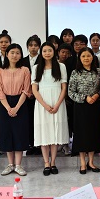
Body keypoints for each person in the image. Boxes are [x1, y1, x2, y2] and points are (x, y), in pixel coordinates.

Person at [32, 42, 69, 176]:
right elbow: (34, 89)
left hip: (58, 102)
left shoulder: (61, 66)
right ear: (41, 53)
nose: (47, 53)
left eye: (50, 50)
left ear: (54, 52)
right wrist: (45, 105)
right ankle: (46, 163)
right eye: (44, 51)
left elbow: (64, 88)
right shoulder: (36, 68)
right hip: (42, 104)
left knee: (55, 133)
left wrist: (57, 104)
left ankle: (53, 162)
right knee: (44, 133)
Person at [0, 43, 31, 176]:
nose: (14, 55)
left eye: (17, 53)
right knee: (7, 133)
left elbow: (26, 90)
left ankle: (19, 165)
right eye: (12, 52)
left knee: (19, 133)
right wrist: (8, 108)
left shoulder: (25, 70)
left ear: (21, 55)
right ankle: (10, 165)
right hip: (4, 104)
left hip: (20, 104)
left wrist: (16, 108)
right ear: (7, 54)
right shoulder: (0, 71)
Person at [68, 48, 100, 174]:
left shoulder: (99, 71)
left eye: (88, 56)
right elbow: (70, 92)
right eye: (83, 56)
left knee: (93, 134)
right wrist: (84, 97)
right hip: (80, 107)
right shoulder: (75, 72)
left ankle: (91, 162)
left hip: (95, 106)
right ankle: (83, 163)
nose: (86, 58)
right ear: (80, 58)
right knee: (81, 135)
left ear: (93, 57)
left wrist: (97, 95)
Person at [21, 34, 41, 156]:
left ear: (39, 47)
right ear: (27, 47)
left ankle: (39, 145)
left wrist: (36, 92)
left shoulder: (43, 60)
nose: (33, 47)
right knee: (28, 120)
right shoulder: (22, 61)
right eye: (31, 45)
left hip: (40, 95)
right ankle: (30, 144)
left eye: (35, 45)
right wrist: (28, 92)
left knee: (39, 121)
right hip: (26, 96)